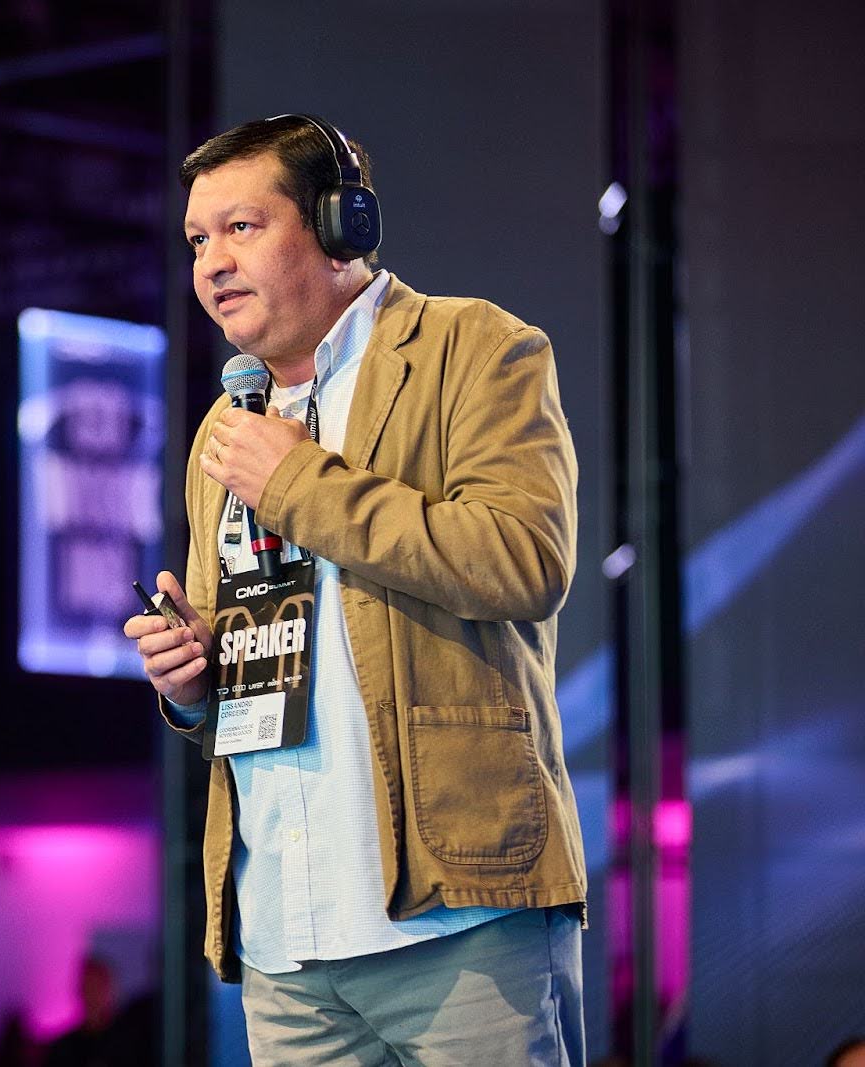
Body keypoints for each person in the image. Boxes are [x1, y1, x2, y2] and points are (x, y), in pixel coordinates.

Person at [124, 114, 586, 1064]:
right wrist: (194, 684)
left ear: (344, 227)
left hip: (460, 916)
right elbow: (254, 676)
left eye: (242, 227)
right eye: (198, 240)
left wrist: (300, 483)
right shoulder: (226, 426)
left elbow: (524, 558)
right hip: (284, 934)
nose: (213, 263)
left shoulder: (473, 347)